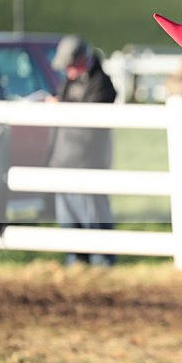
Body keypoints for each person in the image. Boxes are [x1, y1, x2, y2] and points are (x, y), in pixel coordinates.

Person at [47, 34, 117, 267]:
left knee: (94, 218)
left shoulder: (102, 84)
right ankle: (76, 262)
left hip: (88, 162)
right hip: (64, 160)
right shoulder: (71, 82)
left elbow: (91, 128)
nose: (66, 71)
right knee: (69, 220)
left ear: (80, 60)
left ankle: (102, 263)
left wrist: (61, 109)